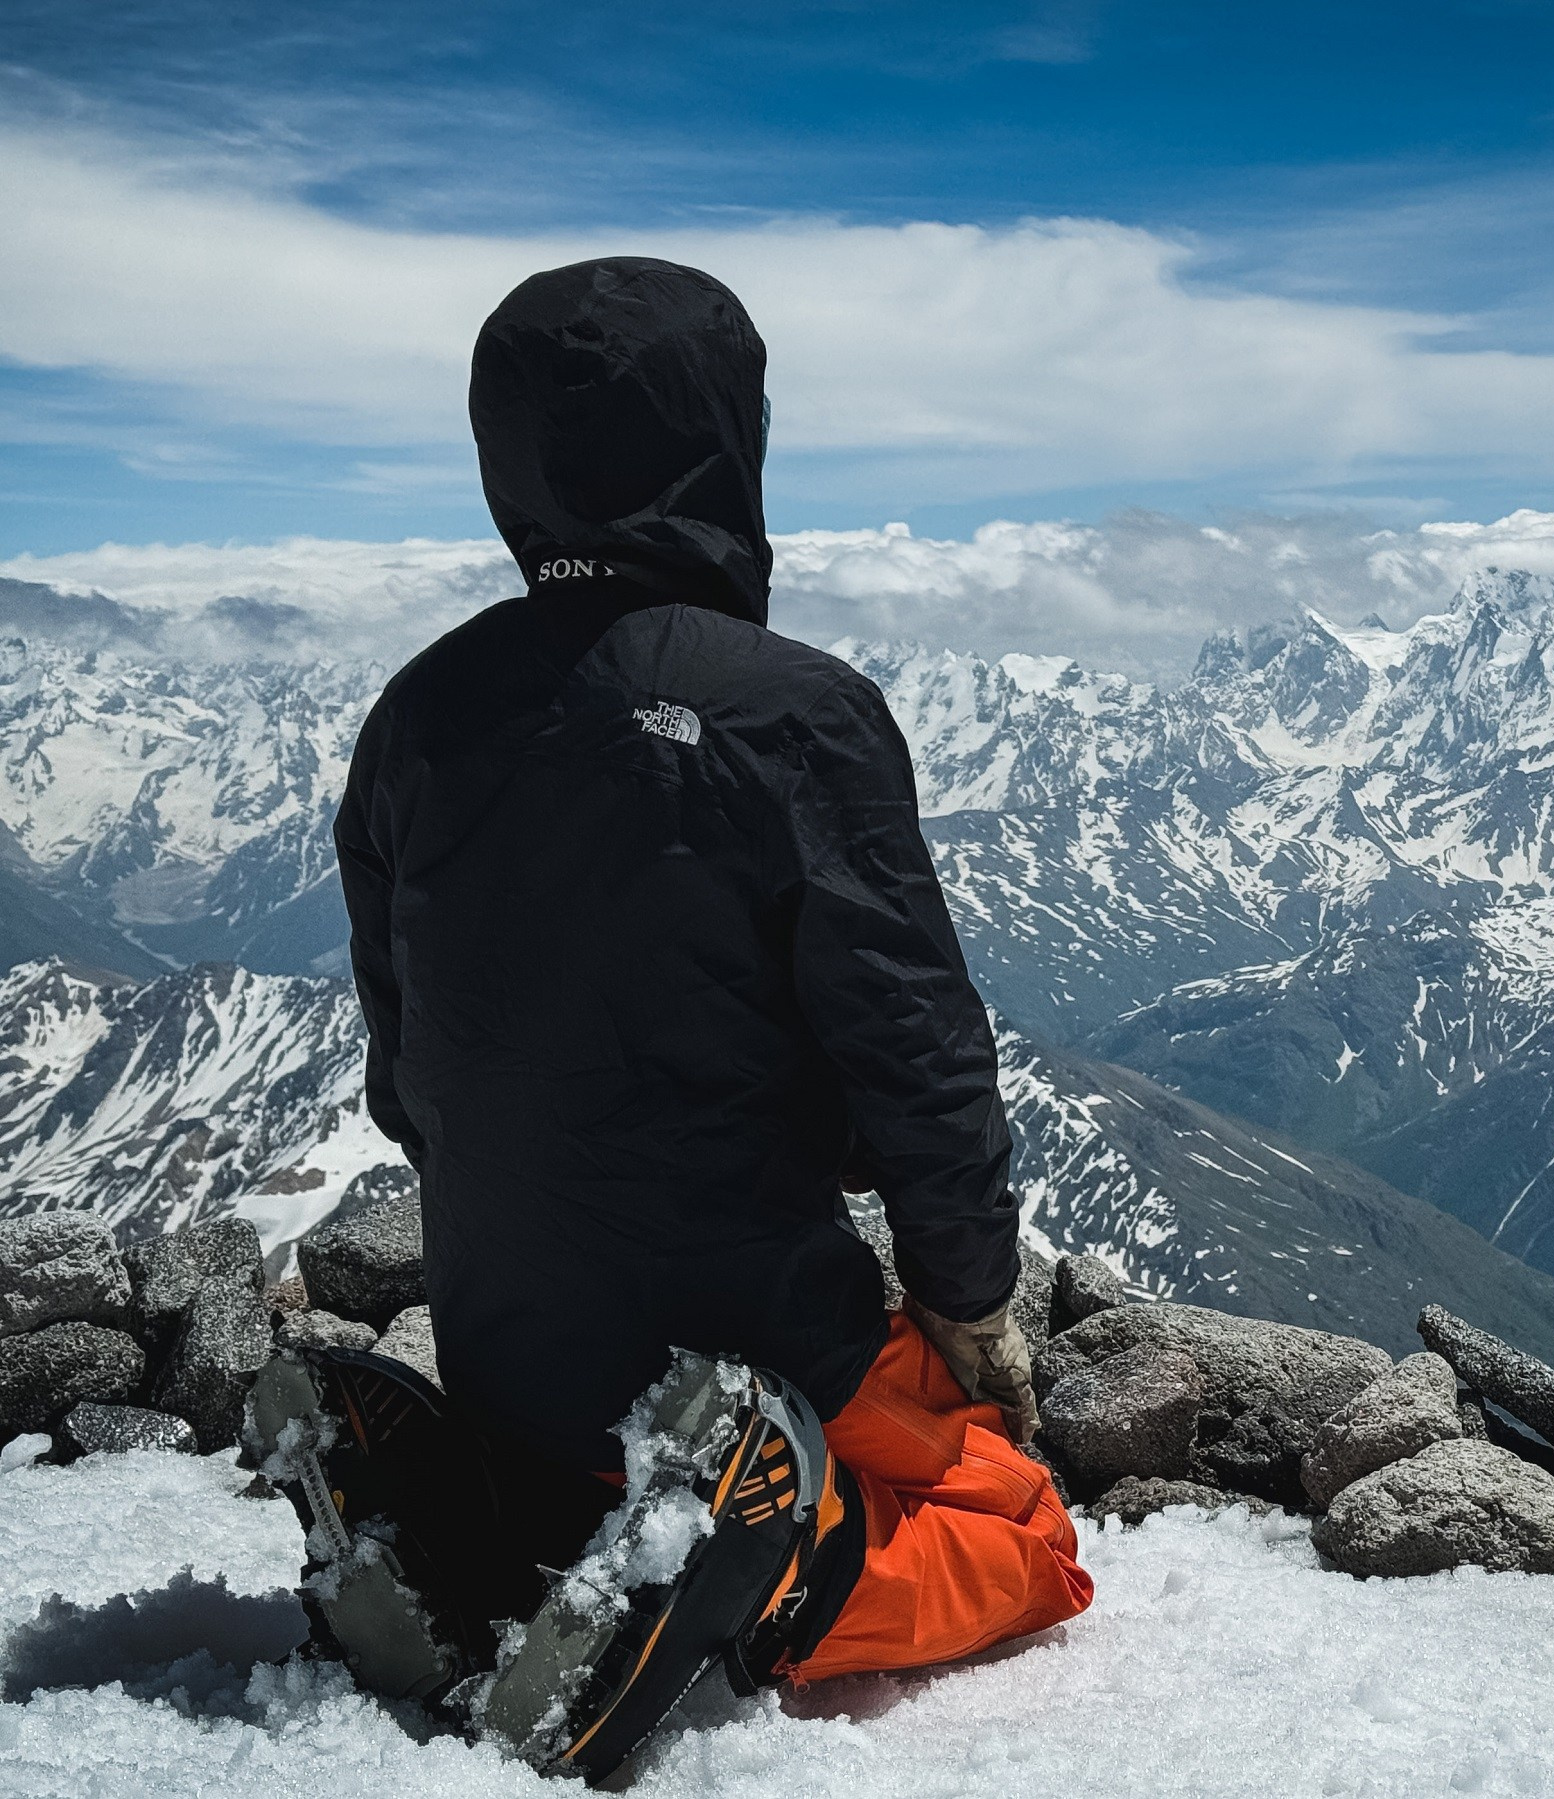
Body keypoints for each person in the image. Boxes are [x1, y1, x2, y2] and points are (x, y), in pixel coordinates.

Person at [256, 256, 1089, 1780]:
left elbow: (406, 1072)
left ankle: (474, 1517)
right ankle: (769, 1569)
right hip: (757, 1341)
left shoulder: (415, 717)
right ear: (727, 442)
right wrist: (967, 1300)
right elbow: (918, 1051)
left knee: (578, 1461)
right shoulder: (793, 712)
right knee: (1025, 1533)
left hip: (507, 1339)